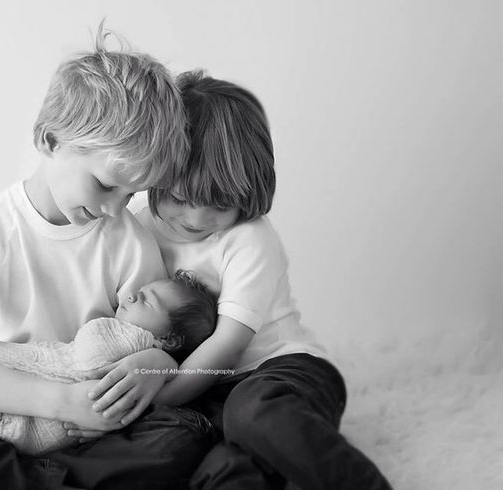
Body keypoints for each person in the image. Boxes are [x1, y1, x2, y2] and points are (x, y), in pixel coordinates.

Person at [0, 26, 214, 490]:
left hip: (87, 426)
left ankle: (11, 479)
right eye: (108, 184)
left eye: (133, 192)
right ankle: (50, 481)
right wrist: (63, 403)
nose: (116, 206)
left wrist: (158, 368)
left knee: (183, 436)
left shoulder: (128, 241)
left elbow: (155, 340)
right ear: (51, 141)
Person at [82, 71, 393, 489]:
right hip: (204, 393)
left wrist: (161, 394)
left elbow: (227, 344)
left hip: (278, 373)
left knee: (251, 413)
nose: (196, 219)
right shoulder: (136, 228)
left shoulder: (249, 238)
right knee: (210, 460)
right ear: (154, 173)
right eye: (179, 197)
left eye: (219, 203)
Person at [0, 271, 217, 456]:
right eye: (140, 290)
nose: (130, 294)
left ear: (170, 340)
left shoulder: (127, 342)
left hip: (35, 415)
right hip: (36, 404)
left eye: (146, 301)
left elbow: (88, 361)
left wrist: (160, 361)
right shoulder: (151, 360)